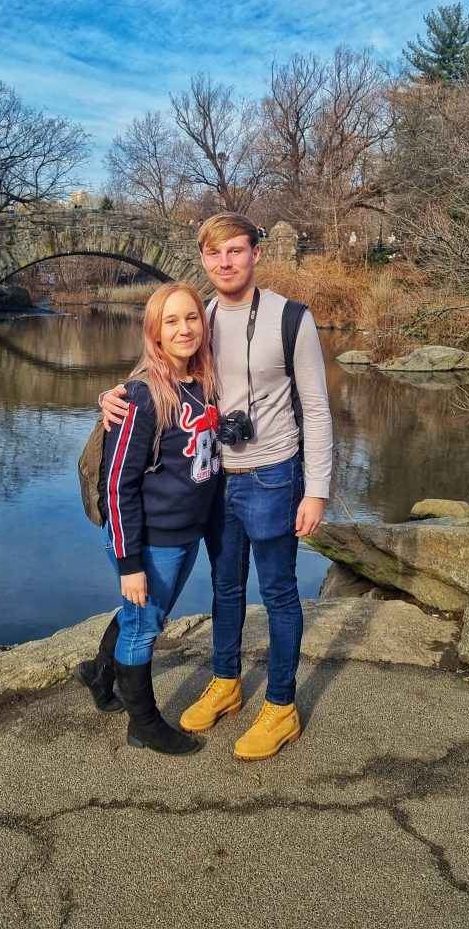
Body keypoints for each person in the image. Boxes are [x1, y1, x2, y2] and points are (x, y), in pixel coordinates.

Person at [100, 214, 333, 761]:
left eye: (235, 250)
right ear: (203, 260)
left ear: (256, 254)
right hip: (215, 481)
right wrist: (109, 399)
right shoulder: (199, 317)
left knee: (278, 593)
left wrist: (316, 489)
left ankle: (280, 706)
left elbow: (318, 409)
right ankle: (226, 682)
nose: (224, 262)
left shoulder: (291, 319)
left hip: (275, 475)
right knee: (225, 591)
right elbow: (158, 377)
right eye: (213, 253)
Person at [75, 282, 220, 757]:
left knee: (146, 616)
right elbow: (116, 485)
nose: (184, 329)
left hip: (184, 534)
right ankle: (145, 725)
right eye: (171, 321)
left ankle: (98, 676)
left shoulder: (200, 384)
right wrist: (130, 562)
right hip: (149, 540)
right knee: (143, 627)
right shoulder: (141, 396)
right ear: (154, 332)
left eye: (192, 318)